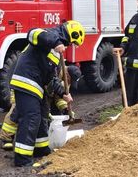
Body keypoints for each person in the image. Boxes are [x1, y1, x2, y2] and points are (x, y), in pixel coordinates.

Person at [9, 20, 84, 167]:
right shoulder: (51, 35)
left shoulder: (56, 52)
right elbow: (32, 33)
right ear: (70, 34)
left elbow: (51, 78)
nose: (69, 46)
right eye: (71, 42)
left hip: (38, 86)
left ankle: (41, 149)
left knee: (42, 116)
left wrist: (63, 93)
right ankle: (22, 160)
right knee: (31, 118)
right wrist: (56, 42)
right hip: (26, 81)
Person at [0, 63, 75, 150]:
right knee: (16, 111)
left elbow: (58, 98)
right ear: (67, 74)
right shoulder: (54, 70)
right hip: (24, 87)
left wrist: (65, 108)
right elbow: (47, 86)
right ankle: (6, 138)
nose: (69, 83)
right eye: (69, 80)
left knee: (42, 115)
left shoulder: (65, 80)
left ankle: (36, 139)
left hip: (41, 92)